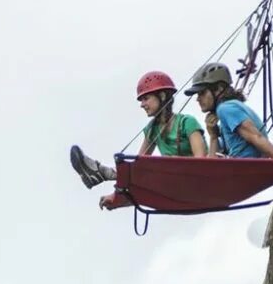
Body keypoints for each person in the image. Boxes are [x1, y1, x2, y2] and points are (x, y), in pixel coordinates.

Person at [70, 71, 206, 207]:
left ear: (162, 96)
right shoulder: (152, 129)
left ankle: (104, 173)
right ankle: (104, 175)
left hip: (196, 179)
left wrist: (174, 163)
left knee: (155, 167)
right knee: (139, 167)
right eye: (141, 100)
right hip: (173, 183)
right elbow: (139, 166)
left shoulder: (187, 122)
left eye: (146, 98)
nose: (142, 104)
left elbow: (201, 162)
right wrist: (115, 196)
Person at [183, 62, 273, 160]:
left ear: (219, 88)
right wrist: (213, 136)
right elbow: (213, 165)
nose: (198, 99)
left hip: (246, 170)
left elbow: (255, 137)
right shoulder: (228, 112)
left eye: (202, 93)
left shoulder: (225, 109)